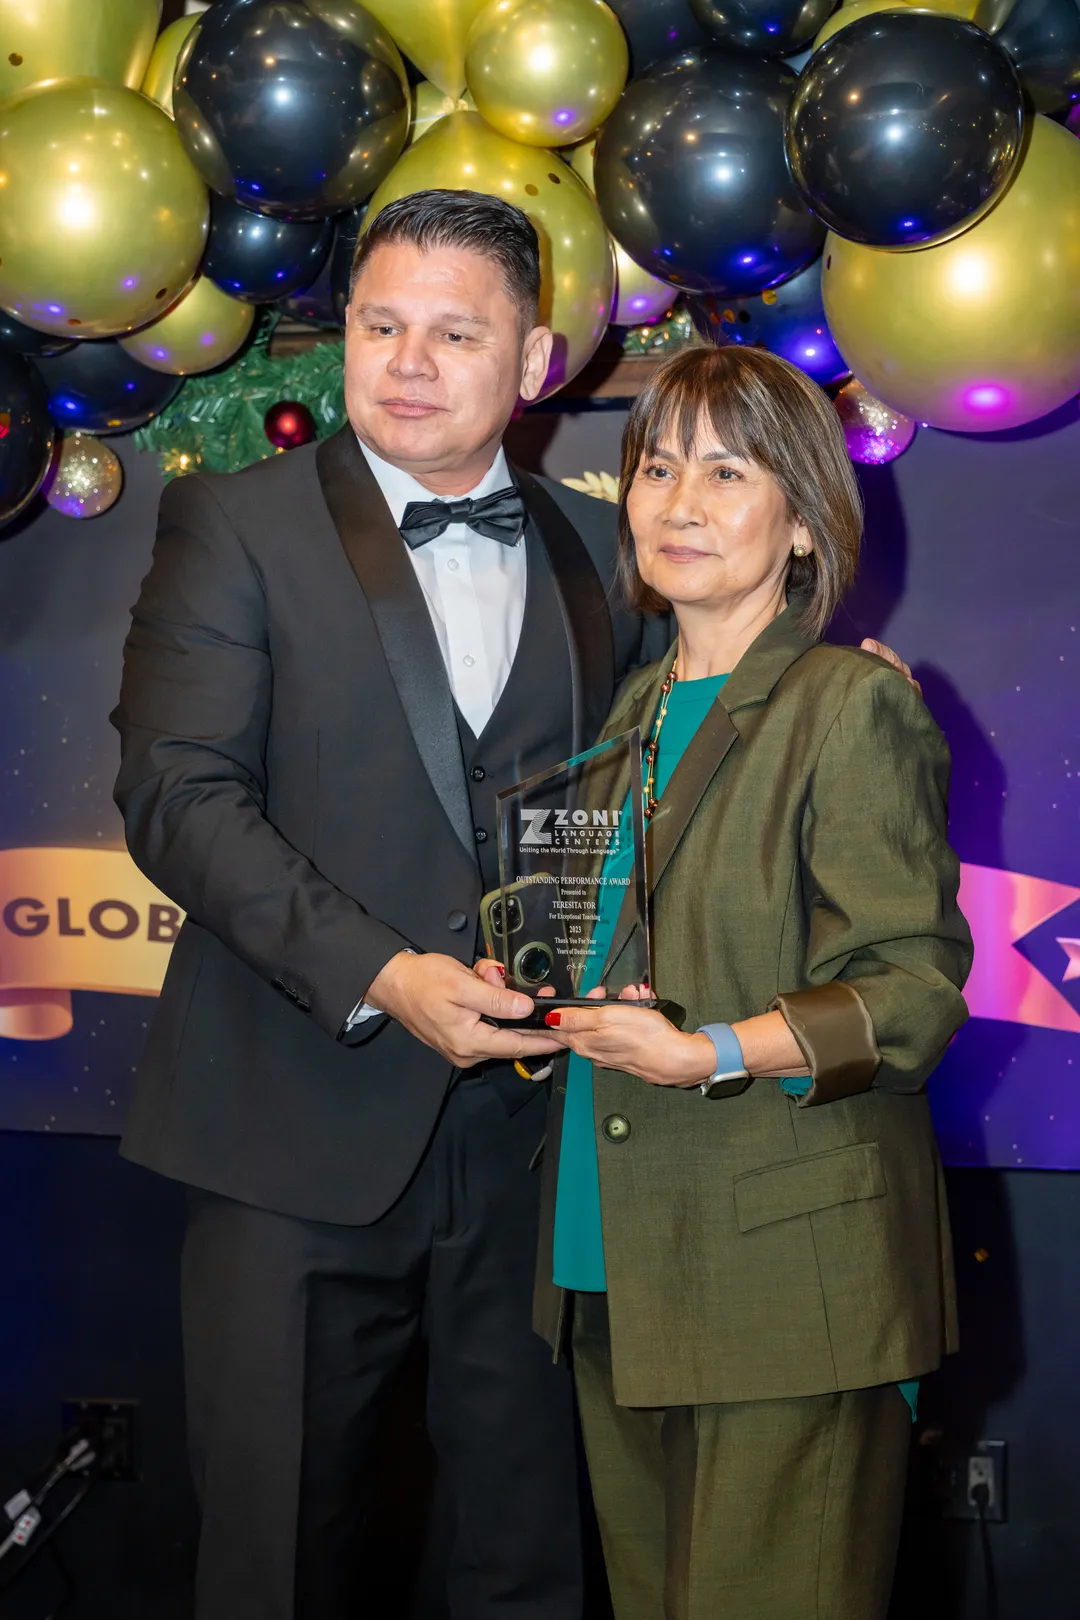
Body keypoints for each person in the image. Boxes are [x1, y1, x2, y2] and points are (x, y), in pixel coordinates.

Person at [111, 188, 914, 1619]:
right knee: (277, 1558)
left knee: (528, 1551)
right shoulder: (232, 526)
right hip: (296, 1130)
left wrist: (855, 676)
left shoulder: (593, 545)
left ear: (537, 362)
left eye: (455, 331)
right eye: (379, 325)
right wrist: (386, 974)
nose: (407, 362)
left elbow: (708, 717)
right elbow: (180, 799)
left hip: (540, 1154)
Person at [518, 345, 973, 1620]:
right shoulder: (620, 726)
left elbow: (913, 989)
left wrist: (712, 1051)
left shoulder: (845, 705)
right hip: (614, 1263)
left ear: (805, 519)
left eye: (727, 470)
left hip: (787, 1277)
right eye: (658, 467)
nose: (679, 502)